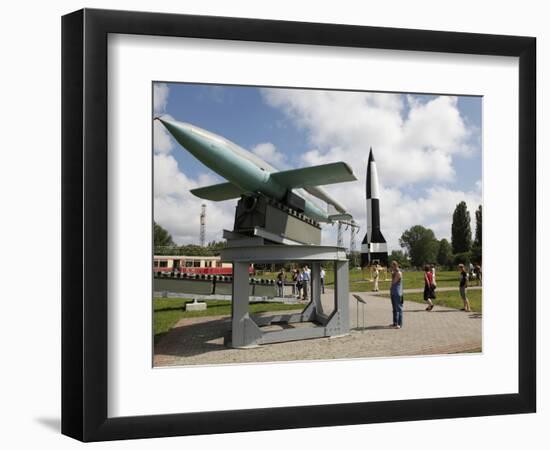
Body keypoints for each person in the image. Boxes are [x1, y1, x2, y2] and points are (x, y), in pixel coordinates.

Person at [389, 260, 403, 329]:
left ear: (395, 266)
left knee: (399, 308)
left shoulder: (398, 273)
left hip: (397, 293)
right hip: (393, 292)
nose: (391, 267)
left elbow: (394, 282)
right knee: (394, 309)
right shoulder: (394, 272)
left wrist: (393, 274)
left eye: (392, 266)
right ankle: (395, 323)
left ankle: (399, 324)